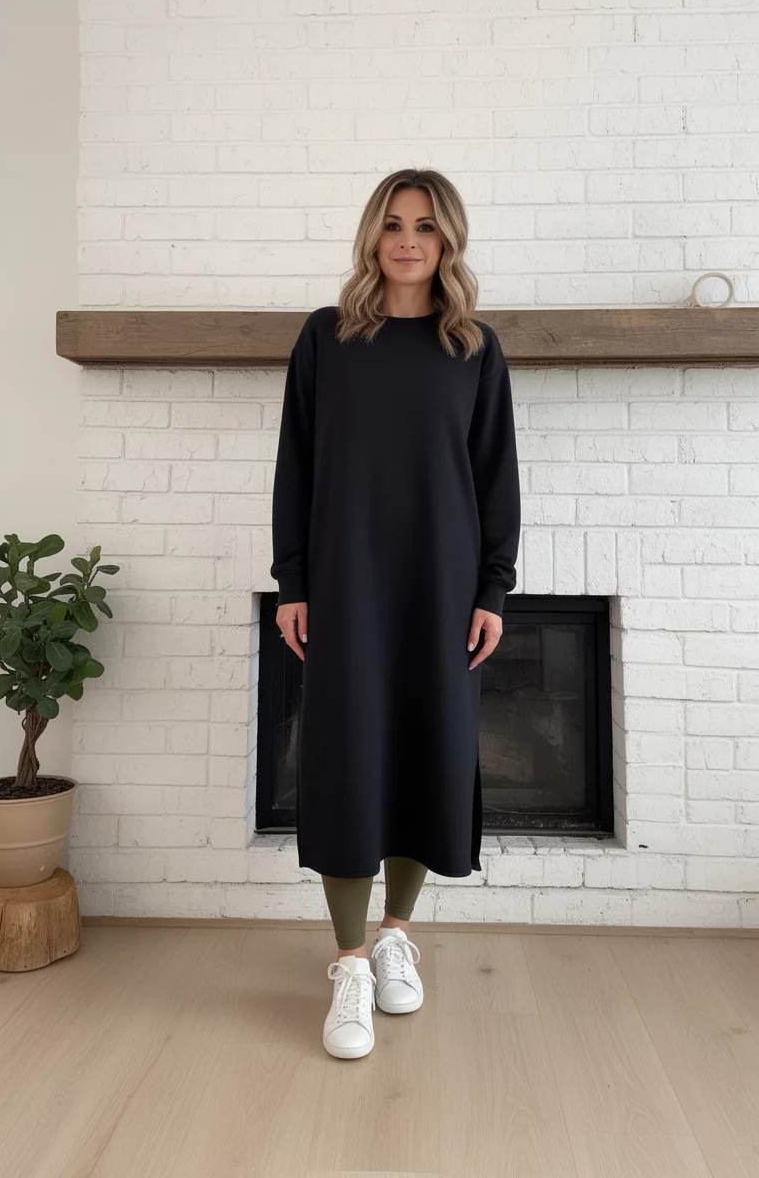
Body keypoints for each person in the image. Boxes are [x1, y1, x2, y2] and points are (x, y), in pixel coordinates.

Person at [270, 167, 521, 1059]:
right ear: (372, 236)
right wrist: (291, 579)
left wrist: (494, 588)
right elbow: (297, 463)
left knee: (425, 754)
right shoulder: (326, 339)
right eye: (392, 223)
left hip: (444, 587)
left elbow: (497, 478)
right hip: (343, 581)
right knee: (345, 758)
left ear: (448, 239)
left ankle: (395, 938)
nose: (408, 239)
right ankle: (347, 962)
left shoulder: (475, 349)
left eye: (425, 224)